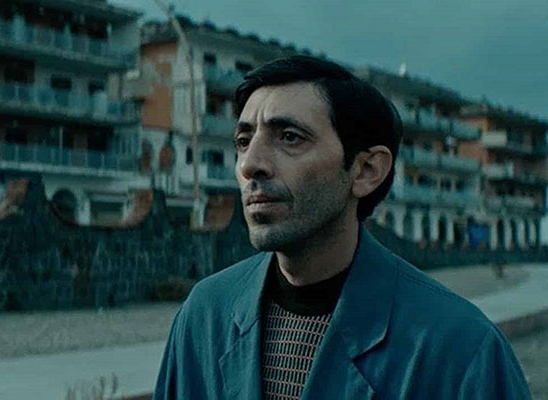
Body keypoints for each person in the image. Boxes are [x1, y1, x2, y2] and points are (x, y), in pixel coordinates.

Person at [154, 56, 530, 399]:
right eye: (243, 140)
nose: (250, 164)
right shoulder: (204, 317)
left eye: (290, 137)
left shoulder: (461, 349)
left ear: (366, 170)